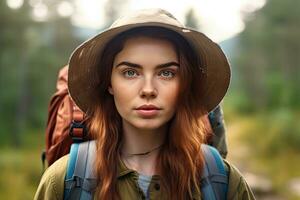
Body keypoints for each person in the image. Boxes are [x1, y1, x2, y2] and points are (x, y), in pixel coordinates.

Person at [34, 8, 255, 200]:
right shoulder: (63, 182)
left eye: (166, 73)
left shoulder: (223, 182)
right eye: (130, 72)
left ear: (184, 84)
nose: (148, 89)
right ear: (109, 83)